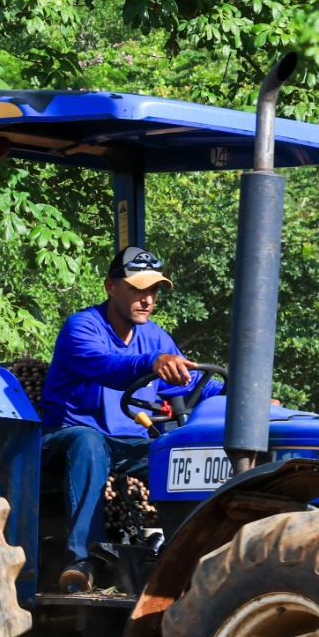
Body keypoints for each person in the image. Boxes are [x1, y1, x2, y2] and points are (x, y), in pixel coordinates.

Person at [35, 247, 195, 592]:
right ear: (111, 287)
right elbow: (106, 366)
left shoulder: (155, 336)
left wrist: (245, 398)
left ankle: (182, 555)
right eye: (138, 289)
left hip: (126, 444)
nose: (147, 299)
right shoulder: (82, 327)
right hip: (64, 437)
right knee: (87, 442)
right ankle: (85, 558)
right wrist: (152, 362)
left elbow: (191, 384)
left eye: (153, 291)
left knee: (175, 455)